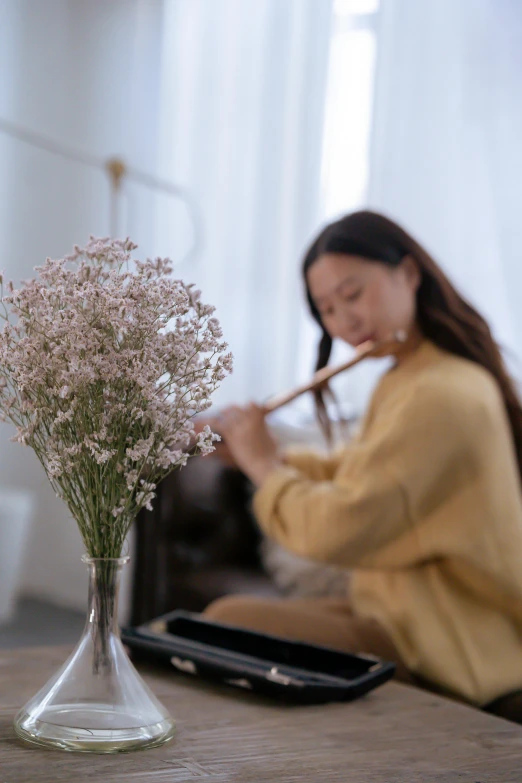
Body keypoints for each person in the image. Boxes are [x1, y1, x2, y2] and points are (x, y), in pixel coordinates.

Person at [202, 209, 522, 707]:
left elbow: (339, 524)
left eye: (352, 295)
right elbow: (357, 470)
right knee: (224, 621)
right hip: (403, 616)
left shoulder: (442, 393)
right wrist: (247, 453)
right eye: (327, 310)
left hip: (450, 647)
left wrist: (264, 463)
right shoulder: (410, 377)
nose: (344, 321)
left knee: (229, 623)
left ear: (409, 274)